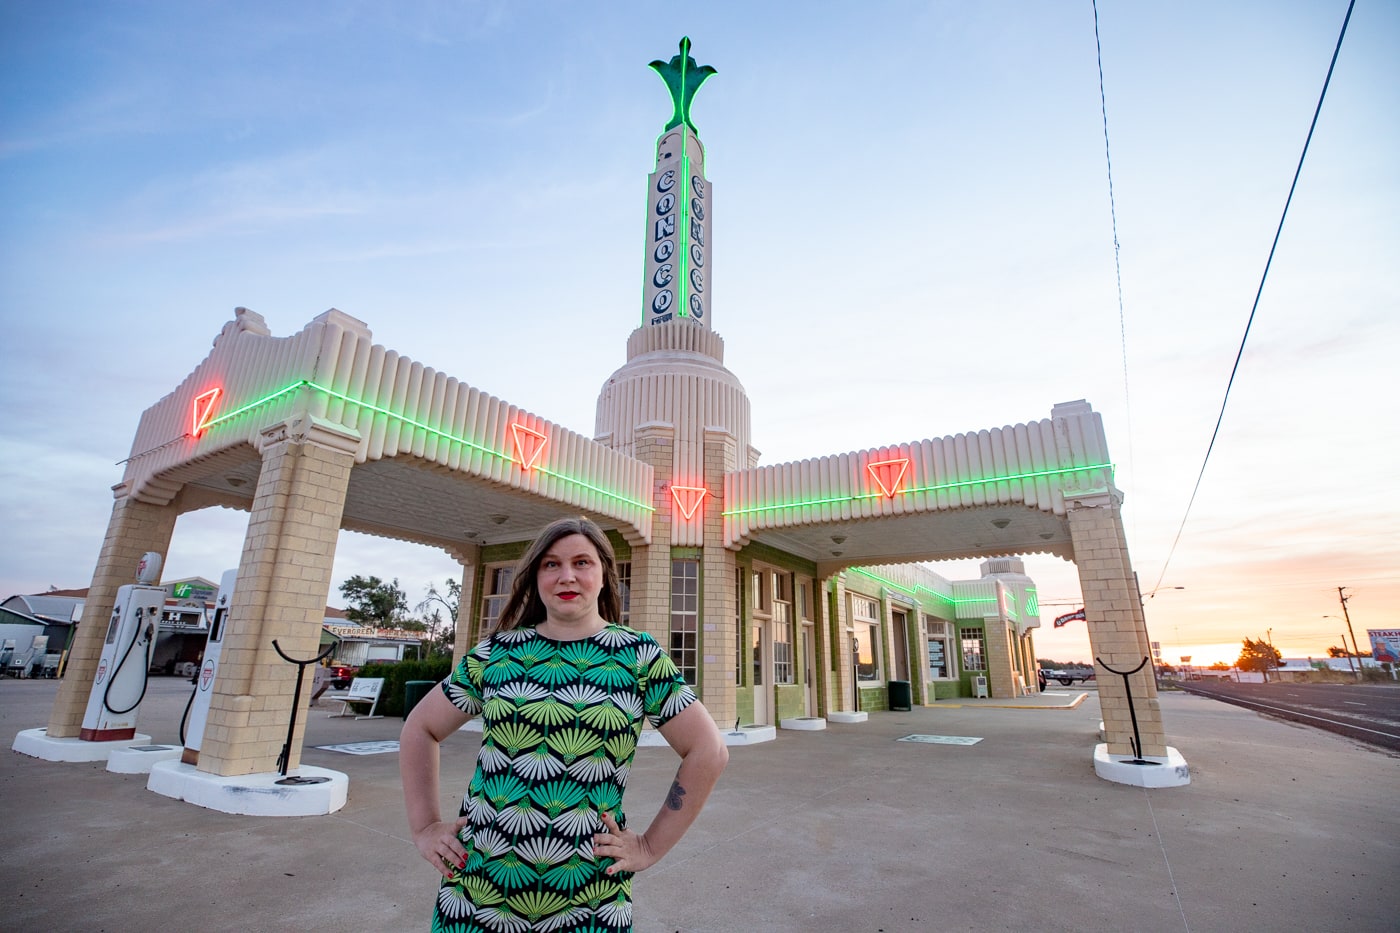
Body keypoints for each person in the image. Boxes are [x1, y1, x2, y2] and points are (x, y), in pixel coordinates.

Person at [401, 516, 729, 932]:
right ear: (536, 575)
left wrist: (648, 847)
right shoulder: (497, 654)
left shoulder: (638, 657)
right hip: (476, 892)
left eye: (582, 562)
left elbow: (709, 751)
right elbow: (420, 728)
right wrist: (426, 827)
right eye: (551, 564)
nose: (567, 575)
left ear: (605, 575)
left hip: (590, 899)